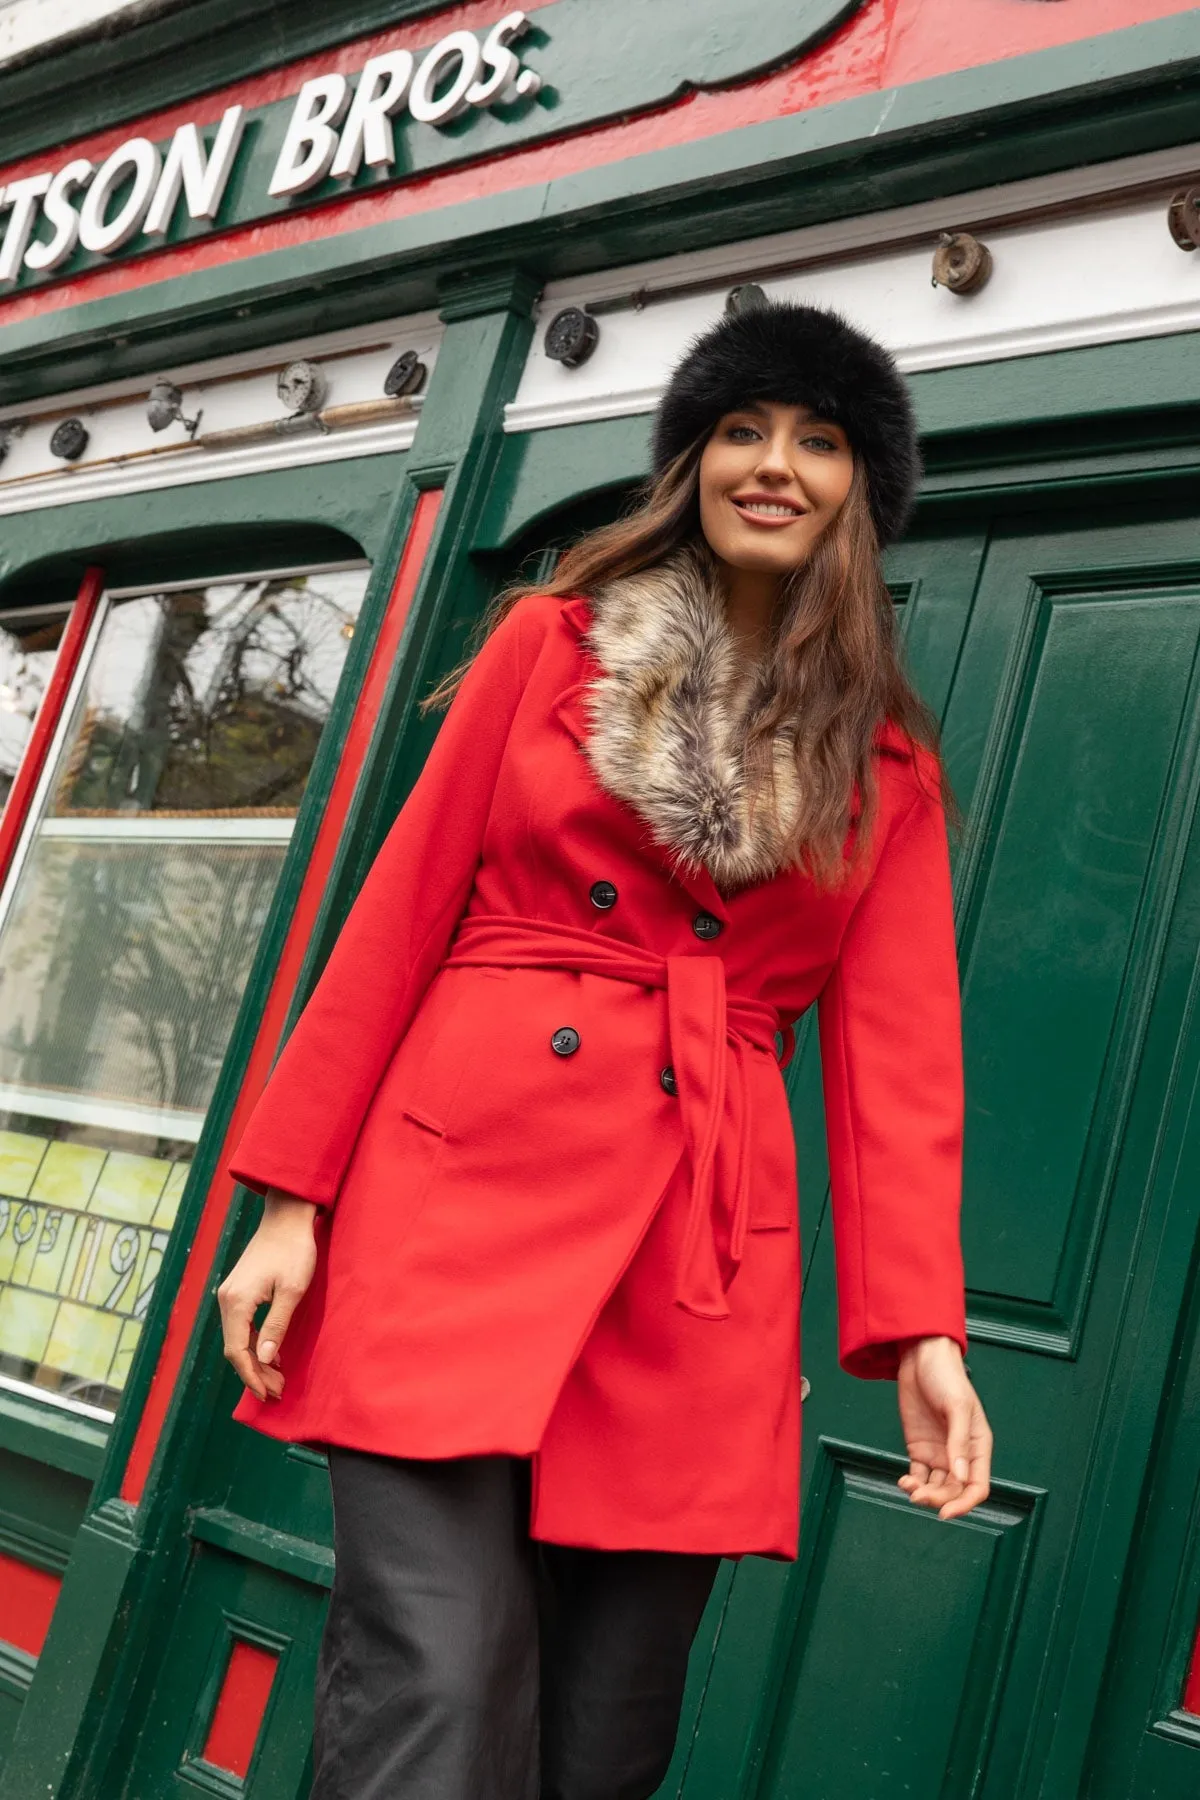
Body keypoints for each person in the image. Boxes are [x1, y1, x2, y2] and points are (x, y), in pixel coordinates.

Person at [217, 299, 993, 1800]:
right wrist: (286, 1203)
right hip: (455, 1207)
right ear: (692, 461)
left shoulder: (887, 766)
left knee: (601, 1741)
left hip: (694, 1260)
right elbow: (396, 917)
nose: (774, 463)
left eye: (819, 440)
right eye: (743, 429)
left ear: (859, 496)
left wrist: (926, 1335)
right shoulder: (547, 647)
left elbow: (901, 1067)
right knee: (438, 1685)